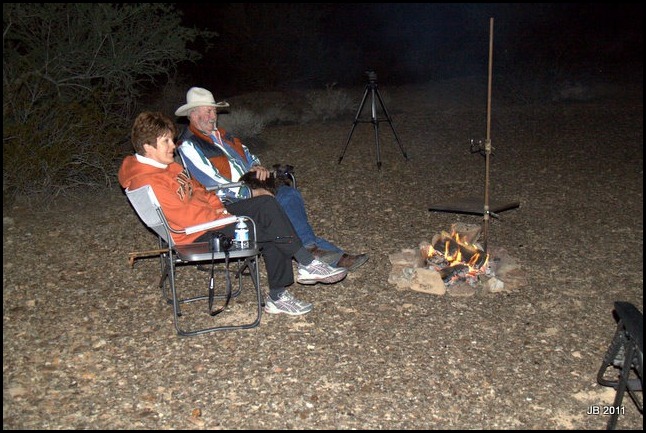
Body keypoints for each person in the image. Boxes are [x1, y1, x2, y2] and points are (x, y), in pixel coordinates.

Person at [119, 111, 348, 316]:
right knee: (270, 229)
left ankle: (305, 264)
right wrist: (222, 216)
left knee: (266, 203)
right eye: (166, 141)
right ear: (148, 147)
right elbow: (183, 218)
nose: (173, 145)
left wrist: (219, 208)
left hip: (211, 216)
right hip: (197, 234)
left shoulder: (169, 166)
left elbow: (200, 190)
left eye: (172, 139)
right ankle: (283, 291)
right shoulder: (148, 180)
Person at [174, 87, 369, 272]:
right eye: (207, 111)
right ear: (193, 114)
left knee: (289, 194)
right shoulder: (189, 145)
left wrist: (257, 167)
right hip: (229, 201)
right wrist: (251, 192)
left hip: (253, 187)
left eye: (214, 111)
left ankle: (312, 250)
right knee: (276, 203)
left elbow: (249, 156)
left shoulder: (225, 136)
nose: (212, 116)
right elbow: (213, 184)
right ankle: (330, 256)